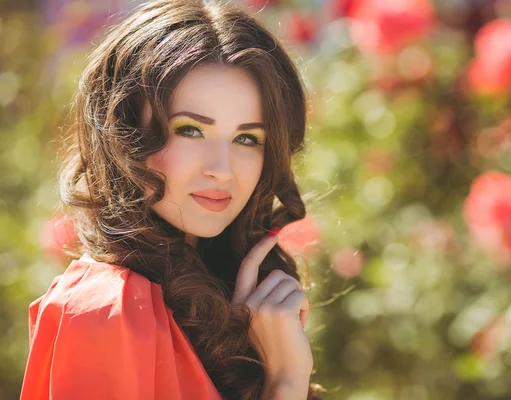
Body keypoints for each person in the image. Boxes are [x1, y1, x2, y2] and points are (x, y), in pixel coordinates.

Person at [19, 0, 324, 399]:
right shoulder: (105, 310)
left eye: (247, 138)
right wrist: (285, 381)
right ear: (124, 134)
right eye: (190, 130)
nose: (222, 169)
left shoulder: (235, 305)